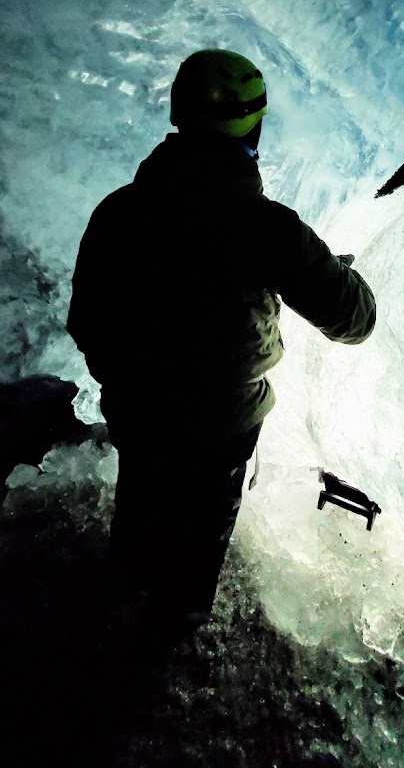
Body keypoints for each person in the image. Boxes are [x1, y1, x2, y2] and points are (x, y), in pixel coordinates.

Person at [67, 49, 375, 653]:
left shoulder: (118, 212)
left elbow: (87, 320)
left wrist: (129, 382)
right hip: (222, 424)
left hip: (137, 411)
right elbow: (354, 319)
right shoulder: (267, 227)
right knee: (201, 531)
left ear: (179, 112)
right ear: (251, 125)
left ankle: (124, 591)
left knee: (140, 504)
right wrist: (327, 268)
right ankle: (166, 636)